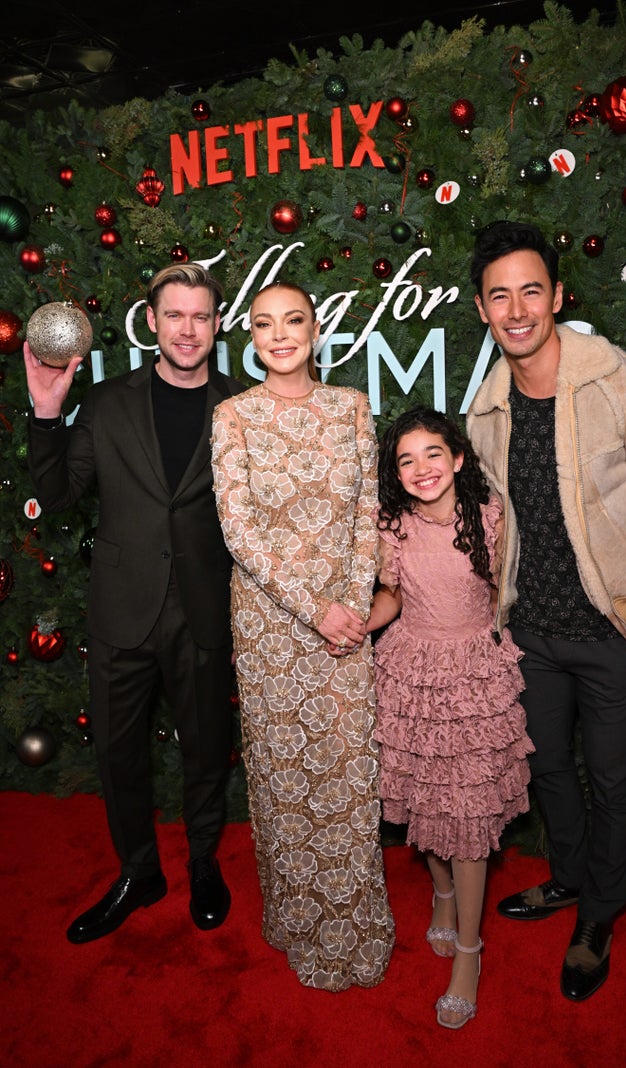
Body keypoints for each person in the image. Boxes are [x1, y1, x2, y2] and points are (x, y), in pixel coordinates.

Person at [466, 220, 626, 1001]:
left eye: (531, 290)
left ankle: (601, 915)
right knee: (548, 770)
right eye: (499, 294)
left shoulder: (625, 385)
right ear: (481, 309)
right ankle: (569, 878)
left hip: (614, 633)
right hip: (530, 635)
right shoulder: (488, 407)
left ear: (559, 296)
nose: (517, 309)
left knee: (611, 781)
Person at [24, 262, 244, 944]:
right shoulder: (110, 402)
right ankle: (139, 872)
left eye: (200, 316)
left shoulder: (243, 408)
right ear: (151, 321)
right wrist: (47, 411)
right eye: (173, 315)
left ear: (216, 324)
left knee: (207, 750)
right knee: (119, 755)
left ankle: (205, 862)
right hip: (122, 608)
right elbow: (56, 497)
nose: (186, 329)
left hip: (205, 608)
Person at [210, 279, 395, 991]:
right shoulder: (234, 417)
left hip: (345, 624)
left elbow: (364, 515)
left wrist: (348, 607)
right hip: (269, 623)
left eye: (293, 320)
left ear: (316, 330)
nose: (280, 334)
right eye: (264, 325)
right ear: (250, 339)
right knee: (286, 779)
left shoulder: (350, 408)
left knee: (347, 776)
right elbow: (239, 532)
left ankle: (355, 928)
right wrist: (313, 608)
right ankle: (296, 917)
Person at [363, 405, 534, 1029]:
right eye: (406, 460)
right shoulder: (392, 526)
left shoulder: (492, 517)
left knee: (468, 814)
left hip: (472, 674)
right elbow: (391, 596)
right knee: (423, 801)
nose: (421, 468)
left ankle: (469, 953)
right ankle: (439, 893)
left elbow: (508, 592)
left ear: (459, 458)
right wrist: (357, 625)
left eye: (433, 453)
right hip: (409, 667)